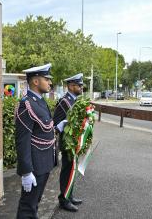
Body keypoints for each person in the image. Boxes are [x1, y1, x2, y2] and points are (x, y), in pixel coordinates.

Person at [15, 63, 56, 218]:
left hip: (43, 162)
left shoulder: (39, 101)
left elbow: (44, 129)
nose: (50, 83)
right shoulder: (26, 104)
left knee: (34, 204)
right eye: (47, 79)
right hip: (34, 165)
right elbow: (22, 140)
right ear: (35, 81)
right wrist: (26, 172)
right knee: (27, 207)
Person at [53, 73, 84, 212]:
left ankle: (69, 195)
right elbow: (56, 124)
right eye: (79, 85)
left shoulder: (75, 100)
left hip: (75, 142)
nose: (81, 87)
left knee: (72, 170)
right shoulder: (64, 102)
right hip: (67, 144)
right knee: (67, 171)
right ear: (71, 86)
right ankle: (63, 200)